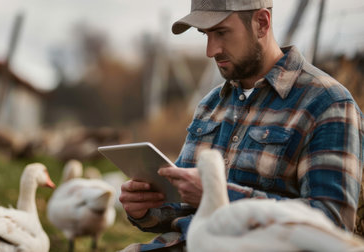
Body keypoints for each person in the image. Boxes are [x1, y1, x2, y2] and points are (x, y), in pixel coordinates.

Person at [119, 0, 364, 251]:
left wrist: (219, 196)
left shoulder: (328, 104)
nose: (211, 50)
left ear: (261, 23)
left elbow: (333, 224)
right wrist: (147, 208)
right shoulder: (210, 104)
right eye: (205, 35)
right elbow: (185, 203)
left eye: (221, 32)